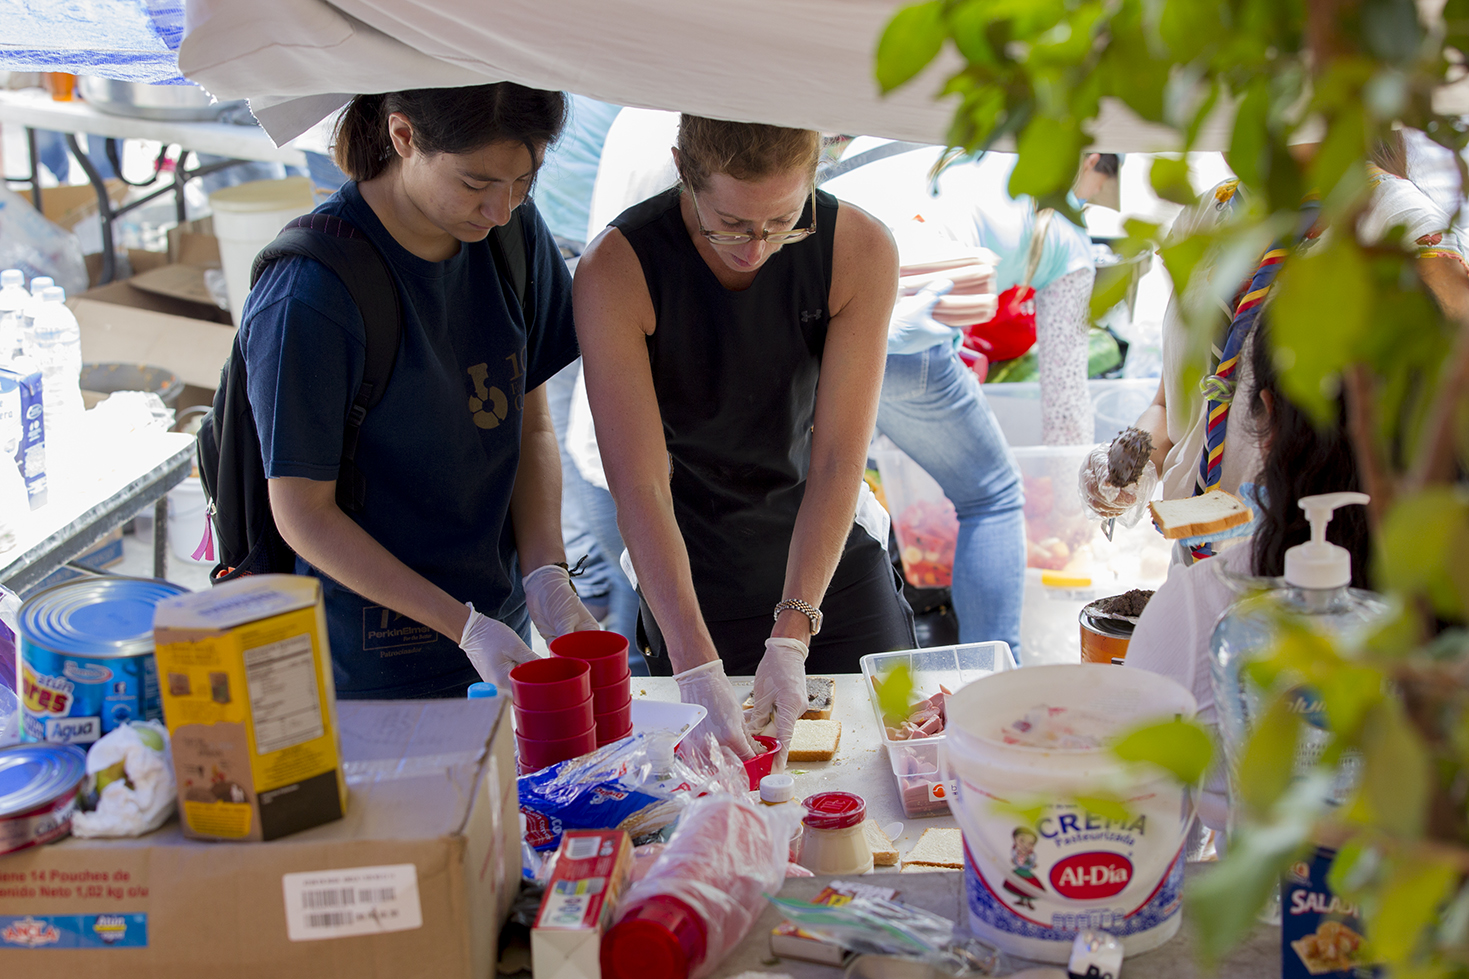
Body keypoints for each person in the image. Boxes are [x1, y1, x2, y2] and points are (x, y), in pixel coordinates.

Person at [241, 84, 598, 700]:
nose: (500, 209)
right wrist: (462, 627)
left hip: (499, 628)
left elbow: (530, 421)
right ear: (403, 136)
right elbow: (303, 512)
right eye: (475, 183)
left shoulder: (512, 237)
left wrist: (545, 572)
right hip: (372, 659)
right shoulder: (311, 293)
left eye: (524, 181)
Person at [574, 116, 914, 760]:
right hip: (690, 579)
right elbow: (640, 487)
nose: (755, 248)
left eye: (784, 223)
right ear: (683, 169)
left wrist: (791, 634)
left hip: (831, 561)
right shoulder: (617, 269)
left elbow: (840, 458)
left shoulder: (858, 249)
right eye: (728, 224)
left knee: (886, 766)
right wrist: (694, 667)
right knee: (720, 791)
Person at [823, 143, 1119, 652]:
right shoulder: (1068, 237)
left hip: (807, 301)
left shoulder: (943, 146)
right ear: (1089, 160)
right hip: (900, 331)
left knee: (821, 483)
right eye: (1097, 192)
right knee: (993, 494)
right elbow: (1066, 406)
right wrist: (1075, 523)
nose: (1087, 202)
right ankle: (992, 673)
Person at [1124, 314, 1370, 829]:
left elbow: (1136, 827)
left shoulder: (1201, 610)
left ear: (1267, 416)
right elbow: (1164, 404)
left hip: (1272, 909)